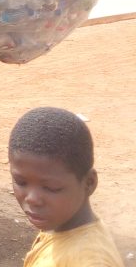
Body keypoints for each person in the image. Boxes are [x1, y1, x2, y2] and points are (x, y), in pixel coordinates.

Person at [9, 107, 124, 267]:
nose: (32, 199)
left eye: (51, 188)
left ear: (89, 183)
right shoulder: (59, 223)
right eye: (21, 182)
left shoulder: (90, 261)